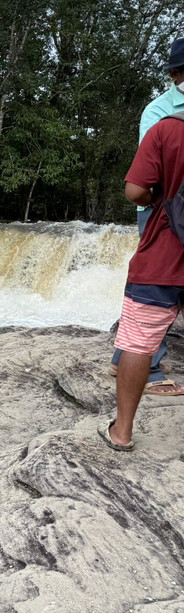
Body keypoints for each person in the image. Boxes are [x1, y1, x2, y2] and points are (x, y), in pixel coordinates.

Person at [102, 84, 184, 451]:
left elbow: (135, 190)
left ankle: (121, 433)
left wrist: (157, 200)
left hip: (165, 253)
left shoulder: (166, 127)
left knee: (138, 342)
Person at [109, 37, 184, 396]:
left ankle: (122, 357)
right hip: (160, 211)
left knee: (153, 287)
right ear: (174, 75)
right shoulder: (159, 111)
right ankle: (150, 368)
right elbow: (146, 174)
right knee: (156, 290)